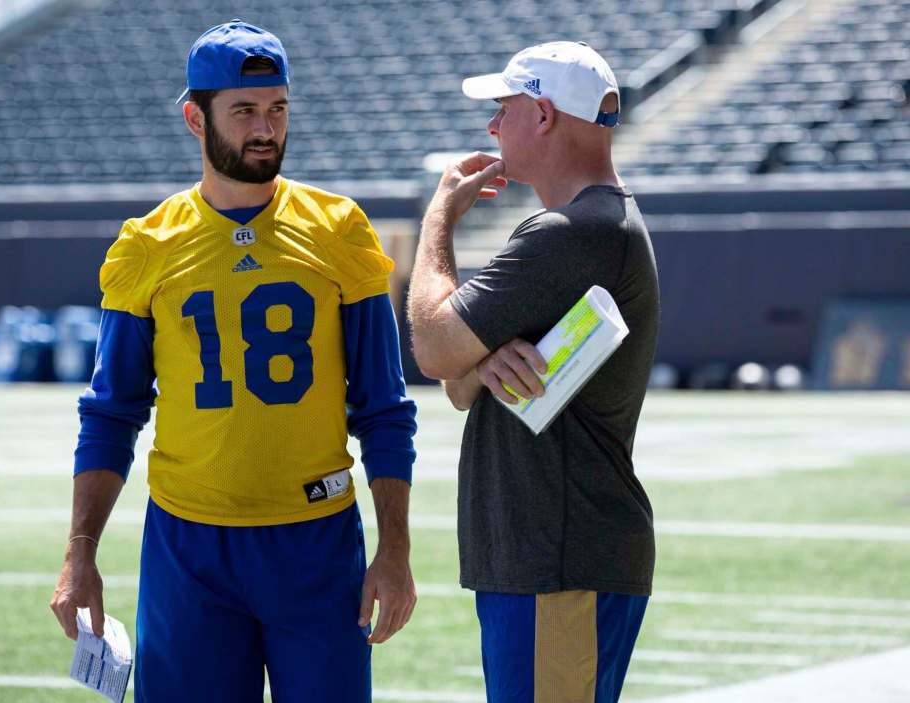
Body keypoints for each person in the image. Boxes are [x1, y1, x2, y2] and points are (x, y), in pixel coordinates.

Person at [49, 20, 417, 702]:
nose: (265, 128)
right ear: (196, 117)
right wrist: (81, 551)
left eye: (277, 108)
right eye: (244, 110)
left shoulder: (340, 229)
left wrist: (394, 549)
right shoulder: (148, 246)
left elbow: (385, 407)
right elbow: (111, 411)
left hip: (316, 541)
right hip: (189, 547)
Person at [407, 41, 659, 703]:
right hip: (550, 554)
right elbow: (460, 381)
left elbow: (432, 348)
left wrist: (438, 217)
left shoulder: (571, 234)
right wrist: (484, 355)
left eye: (504, 108)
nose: (493, 127)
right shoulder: (593, 227)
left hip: (558, 556)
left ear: (543, 116)